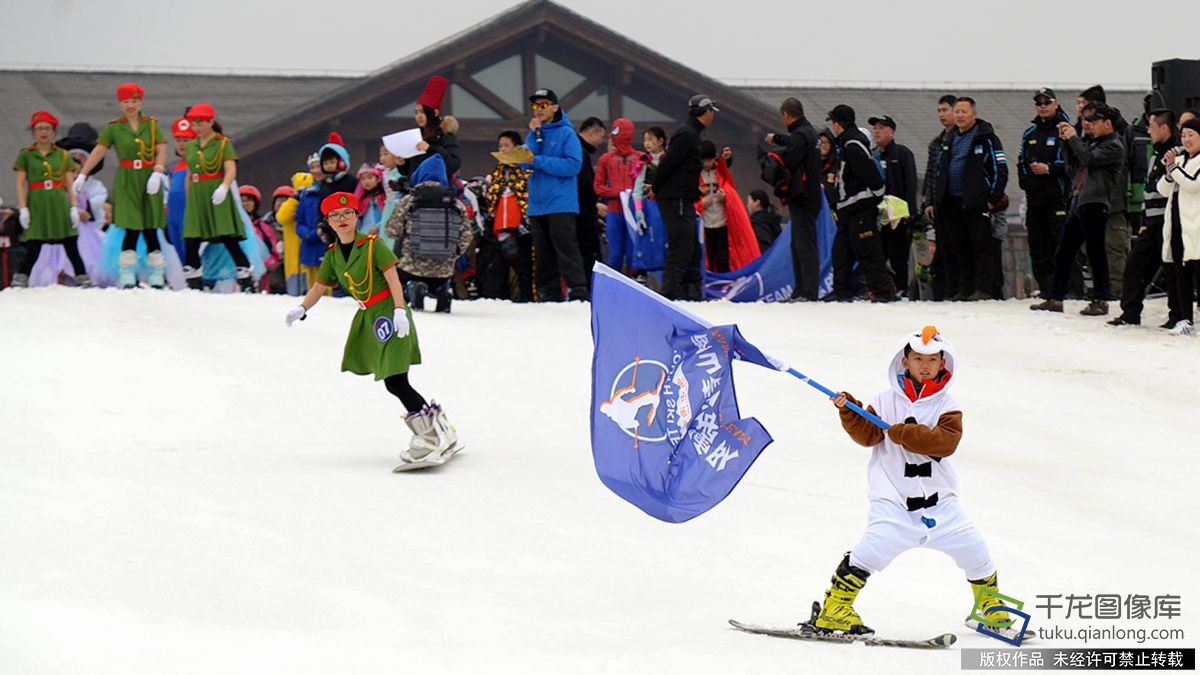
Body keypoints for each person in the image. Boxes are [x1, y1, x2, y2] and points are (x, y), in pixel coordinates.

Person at [809, 326, 1010, 638]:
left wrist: (904, 433)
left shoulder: (948, 405)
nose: (925, 365)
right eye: (918, 358)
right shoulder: (884, 400)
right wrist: (852, 413)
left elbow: (945, 443)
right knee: (872, 550)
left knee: (975, 549)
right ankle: (835, 608)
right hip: (893, 498)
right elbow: (868, 436)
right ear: (905, 362)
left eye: (932, 359)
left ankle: (988, 606)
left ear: (944, 363)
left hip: (940, 501)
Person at [286, 192, 461, 469]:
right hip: (369, 316)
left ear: (357, 216)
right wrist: (303, 308)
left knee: (396, 380)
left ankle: (429, 436)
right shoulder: (333, 255)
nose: (342, 219)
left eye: (347, 214)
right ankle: (440, 428)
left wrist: (400, 311)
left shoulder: (372, 245)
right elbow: (321, 285)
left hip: (389, 313)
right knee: (394, 380)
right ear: (328, 222)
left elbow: (393, 278)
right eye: (335, 215)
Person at [1031, 105, 1126, 316]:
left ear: (1107, 124)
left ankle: (1100, 299)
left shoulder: (1113, 145)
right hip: (1079, 200)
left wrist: (1074, 138)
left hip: (1096, 202)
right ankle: (1056, 297)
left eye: (1095, 121)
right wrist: (1066, 142)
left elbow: (1088, 159)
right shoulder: (1093, 143)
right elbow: (1073, 166)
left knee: (1095, 252)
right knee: (1064, 251)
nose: (1090, 125)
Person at [73, 82, 169, 288]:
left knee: (151, 227)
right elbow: (99, 151)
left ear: (140, 102)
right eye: (126, 101)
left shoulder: (152, 125)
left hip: (148, 177)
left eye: (134, 100)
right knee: (131, 227)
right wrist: (83, 173)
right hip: (127, 178)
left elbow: (161, 149)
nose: (130, 105)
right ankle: (127, 274)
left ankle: (157, 274)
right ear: (120, 104)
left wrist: (158, 171)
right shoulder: (114, 127)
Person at [932, 97, 1008, 301]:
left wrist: (992, 198)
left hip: (977, 203)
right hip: (952, 203)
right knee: (959, 247)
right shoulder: (948, 138)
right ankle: (964, 289)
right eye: (957, 111)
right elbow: (939, 169)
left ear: (974, 113)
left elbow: (1000, 169)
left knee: (981, 247)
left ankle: (984, 289)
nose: (960, 115)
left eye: (964, 111)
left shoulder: (987, 138)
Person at [1109, 109, 1180, 327]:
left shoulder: (1176, 154)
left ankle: (1176, 316)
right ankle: (1130, 312)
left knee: (1172, 271)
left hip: (1168, 222)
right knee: (1136, 265)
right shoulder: (1155, 153)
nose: (1148, 130)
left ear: (1164, 128)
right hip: (1151, 222)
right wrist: (1143, 221)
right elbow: (1149, 190)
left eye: (1151, 126)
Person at [178, 103, 254, 292]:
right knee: (192, 237)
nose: (196, 128)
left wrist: (224, 187)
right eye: (193, 124)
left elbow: (230, 168)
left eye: (200, 124)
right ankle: (193, 280)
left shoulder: (222, 143)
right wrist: (190, 200)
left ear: (210, 122)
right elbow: (189, 173)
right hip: (197, 192)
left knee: (227, 235)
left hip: (216, 190)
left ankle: (245, 277)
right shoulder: (192, 145)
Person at [384, 152, 472, 313]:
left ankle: (414, 287)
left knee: (402, 276)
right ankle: (442, 291)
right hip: (444, 268)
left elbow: (392, 230)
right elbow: (466, 233)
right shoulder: (454, 202)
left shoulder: (410, 200)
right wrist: (455, 251)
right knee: (440, 280)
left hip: (412, 265)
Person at [523, 88, 587, 301]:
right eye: (535, 106)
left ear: (555, 107)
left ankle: (578, 292)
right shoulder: (535, 132)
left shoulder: (567, 133)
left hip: (560, 203)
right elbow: (525, 160)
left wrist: (538, 161)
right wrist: (533, 134)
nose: (538, 110)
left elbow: (573, 165)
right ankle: (546, 295)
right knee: (542, 253)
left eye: (543, 105)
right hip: (537, 203)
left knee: (566, 249)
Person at [9, 111, 85, 288]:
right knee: (34, 242)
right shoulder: (26, 155)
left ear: (54, 131)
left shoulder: (63, 155)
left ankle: (82, 276)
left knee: (69, 241)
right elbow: (20, 184)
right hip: (37, 202)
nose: (43, 132)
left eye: (47, 128)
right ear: (33, 132)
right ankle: (22, 276)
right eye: (39, 128)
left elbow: (69, 183)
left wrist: (73, 207)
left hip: (58, 201)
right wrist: (23, 209)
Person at [827, 104, 892, 301]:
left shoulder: (852, 144)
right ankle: (842, 293)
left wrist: (877, 194)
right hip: (848, 210)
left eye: (833, 122)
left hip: (860, 208)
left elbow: (869, 173)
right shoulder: (847, 142)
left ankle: (883, 293)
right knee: (841, 254)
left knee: (869, 253)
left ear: (838, 124)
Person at [654, 95, 715, 300]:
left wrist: (697, 192)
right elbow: (668, 163)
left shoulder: (693, 134)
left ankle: (691, 294)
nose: (712, 116)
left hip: (684, 197)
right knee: (681, 245)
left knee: (692, 246)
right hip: (674, 198)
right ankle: (668, 296)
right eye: (711, 112)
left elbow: (683, 170)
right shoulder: (687, 134)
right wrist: (655, 187)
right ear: (706, 113)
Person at [765, 98, 823, 300]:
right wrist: (778, 140)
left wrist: (774, 161)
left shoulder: (800, 135)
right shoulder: (810, 132)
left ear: (787, 115)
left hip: (803, 197)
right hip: (812, 196)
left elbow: (790, 160)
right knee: (798, 243)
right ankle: (802, 289)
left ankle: (808, 291)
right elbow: (794, 143)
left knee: (804, 245)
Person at [1017, 88, 1071, 296]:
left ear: (1056, 103)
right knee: (1038, 247)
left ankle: (1066, 289)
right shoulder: (1029, 133)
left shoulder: (1065, 129)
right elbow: (1021, 161)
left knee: (1060, 245)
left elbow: (1071, 163)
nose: (1042, 106)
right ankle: (1046, 288)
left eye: (1046, 102)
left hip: (1057, 199)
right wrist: (1026, 182)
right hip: (1035, 199)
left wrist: (1049, 168)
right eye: (1038, 103)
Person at [1157, 117, 1200, 336]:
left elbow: (1193, 184)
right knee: (1180, 275)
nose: (1186, 139)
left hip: (1197, 228)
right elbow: (1163, 189)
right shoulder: (1180, 161)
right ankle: (1185, 319)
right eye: (1183, 135)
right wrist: (1168, 170)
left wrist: (1174, 167)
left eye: (1191, 134)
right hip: (1177, 226)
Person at [869, 114, 919, 296]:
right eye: (875, 128)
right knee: (878, 256)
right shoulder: (871, 155)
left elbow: (911, 184)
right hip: (877, 217)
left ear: (892, 131)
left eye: (882, 127)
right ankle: (881, 289)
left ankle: (901, 289)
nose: (877, 131)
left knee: (899, 258)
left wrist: (910, 213)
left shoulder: (902, 154)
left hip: (898, 217)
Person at [921, 95, 957, 300]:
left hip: (956, 203)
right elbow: (930, 175)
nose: (942, 115)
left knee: (955, 250)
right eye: (939, 111)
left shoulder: (961, 140)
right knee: (941, 252)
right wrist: (928, 202)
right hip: (939, 207)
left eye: (945, 110)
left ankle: (955, 291)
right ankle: (941, 294)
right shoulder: (936, 143)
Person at [594, 118, 640, 273]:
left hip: (634, 212)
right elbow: (598, 187)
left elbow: (649, 184)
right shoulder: (605, 160)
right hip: (614, 212)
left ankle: (636, 286)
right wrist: (619, 192)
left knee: (634, 253)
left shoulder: (640, 158)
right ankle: (614, 288)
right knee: (615, 254)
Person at [576, 116, 606, 283]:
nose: (601, 142)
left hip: (581, 211)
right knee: (589, 256)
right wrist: (594, 208)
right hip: (582, 215)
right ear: (593, 132)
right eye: (601, 136)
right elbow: (584, 186)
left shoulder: (578, 149)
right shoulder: (580, 152)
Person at [239, 185, 281, 293]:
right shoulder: (233, 226)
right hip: (236, 272)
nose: (245, 204)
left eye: (249, 200)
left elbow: (272, 249)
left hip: (260, 274)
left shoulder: (262, 227)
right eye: (242, 200)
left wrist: (268, 264)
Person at [166, 117, 194, 264]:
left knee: (189, 252)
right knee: (177, 255)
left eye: (186, 140)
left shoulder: (197, 164)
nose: (182, 144)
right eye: (178, 140)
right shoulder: (173, 168)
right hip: (173, 218)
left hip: (188, 216)